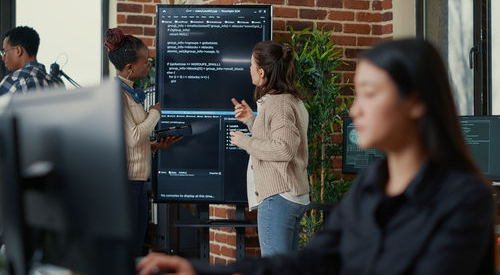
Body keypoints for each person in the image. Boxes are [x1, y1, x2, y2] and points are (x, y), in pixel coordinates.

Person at [136, 38, 494, 275]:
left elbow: (284, 149)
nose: (354, 111)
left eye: (369, 94)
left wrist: (245, 139)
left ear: (415, 102)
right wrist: (197, 269)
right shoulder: (372, 186)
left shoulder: (464, 200)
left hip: (280, 192)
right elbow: (309, 262)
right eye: (356, 95)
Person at [104, 28, 182, 257]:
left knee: (137, 247)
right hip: (124, 184)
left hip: (137, 183)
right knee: (130, 250)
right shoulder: (117, 95)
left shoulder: (130, 94)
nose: (148, 65)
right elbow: (134, 136)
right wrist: (155, 114)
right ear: (129, 68)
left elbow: (129, 142)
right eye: (145, 61)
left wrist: (157, 146)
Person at [230, 40, 310, 257]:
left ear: (262, 72)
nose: (249, 69)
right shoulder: (288, 101)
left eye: (251, 64)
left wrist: (244, 141)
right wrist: (251, 121)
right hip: (288, 195)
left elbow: (283, 149)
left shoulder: (279, 104)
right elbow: (278, 138)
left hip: (278, 197)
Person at [0, 26, 62, 95]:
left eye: (5, 52)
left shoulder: (12, 81)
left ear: (18, 50)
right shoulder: (57, 84)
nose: (3, 58)